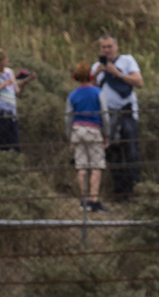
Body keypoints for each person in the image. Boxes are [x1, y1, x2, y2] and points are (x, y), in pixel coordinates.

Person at [90, 34, 143, 200]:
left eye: (109, 47)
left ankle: (135, 189)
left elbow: (139, 82)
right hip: (107, 116)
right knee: (113, 153)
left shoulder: (127, 61)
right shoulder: (96, 66)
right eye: (103, 47)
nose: (106, 50)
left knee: (131, 151)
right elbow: (90, 90)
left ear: (116, 47)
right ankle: (120, 192)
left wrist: (118, 74)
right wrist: (97, 74)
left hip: (127, 113)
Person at [66, 61, 112, 213]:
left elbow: (68, 118)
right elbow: (105, 115)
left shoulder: (72, 95)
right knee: (96, 166)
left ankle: (84, 200)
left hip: (77, 131)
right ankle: (94, 200)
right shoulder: (98, 92)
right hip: (93, 130)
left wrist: (70, 138)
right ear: (91, 76)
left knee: (82, 166)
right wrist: (106, 134)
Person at [0, 48, 35, 152]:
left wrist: (24, 84)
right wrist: (1, 86)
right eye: (0, 65)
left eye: (4, 64)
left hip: (12, 113)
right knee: (4, 146)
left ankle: (14, 161)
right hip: (0, 113)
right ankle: (5, 160)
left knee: (16, 146)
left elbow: (17, 93)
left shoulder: (10, 72)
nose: (3, 67)